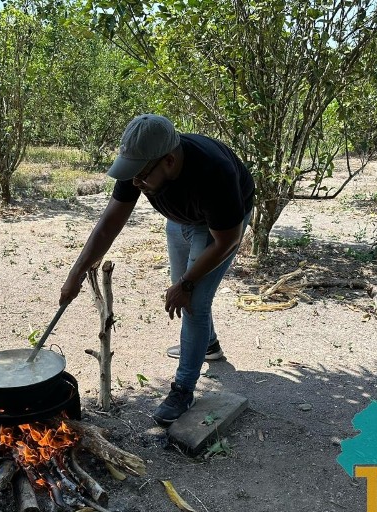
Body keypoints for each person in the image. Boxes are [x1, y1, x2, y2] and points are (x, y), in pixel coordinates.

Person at [59, 114, 255, 425]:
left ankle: (182, 390)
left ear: (168, 160)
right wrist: (77, 272)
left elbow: (227, 241)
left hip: (222, 227)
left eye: (141, 177)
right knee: (183, 287)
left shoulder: (212, 172)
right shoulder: (141, 163)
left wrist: (188, 283)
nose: (135, 183)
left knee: (192, 300)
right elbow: (109, 223)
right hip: (182, 219)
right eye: (131, 174)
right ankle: (209, 345)